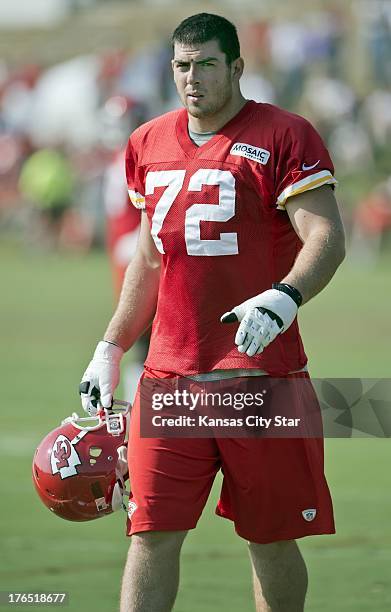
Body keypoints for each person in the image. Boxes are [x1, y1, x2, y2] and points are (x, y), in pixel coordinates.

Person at [79, 13, 345, 612]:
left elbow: (326, 236)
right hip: (170, 378)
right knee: (149, 536)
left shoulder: (285, 134)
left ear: (235, 67)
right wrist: (111, 345)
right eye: (181, 65)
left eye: (205, 64)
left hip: (263, 379)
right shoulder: (148, 142)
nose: (192, 78)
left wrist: (285, 296)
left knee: (271, 540)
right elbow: (148, 262)